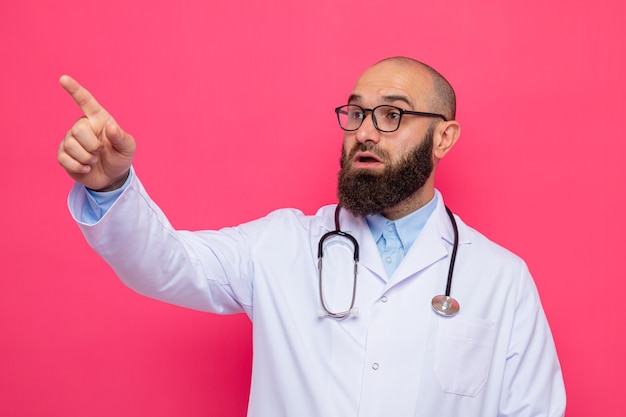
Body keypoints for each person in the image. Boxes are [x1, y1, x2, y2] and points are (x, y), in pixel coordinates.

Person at [57, 57, 566, 416]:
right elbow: (164, 264)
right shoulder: (281, 246)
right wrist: (112, 186)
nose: (365, 131)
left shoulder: (501, 279)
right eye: (356, 113)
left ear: (444, 137)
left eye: (393, 115)